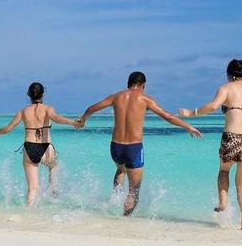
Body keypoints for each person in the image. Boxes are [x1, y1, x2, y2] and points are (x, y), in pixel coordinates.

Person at [77, 71, 202, 216]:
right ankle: (125, 219)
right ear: (143, 85)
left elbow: (92, 108)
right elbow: (167, 116)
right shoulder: (145, 99)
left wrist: (83, 119)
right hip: (133, 149)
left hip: (115, 147)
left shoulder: (116, 97)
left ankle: (114, 201)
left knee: (121, 169)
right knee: (134, 189)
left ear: (128, 84)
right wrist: (188, 126)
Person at [179, 58, 242, 231]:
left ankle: (223, 203)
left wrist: (191, 113)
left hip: (231, 137)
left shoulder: (225, 88)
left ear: (228, 74)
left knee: (224, 171)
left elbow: (213, 106)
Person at [0, 81, 80, 207]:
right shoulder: (48, 109)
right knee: (54, 166)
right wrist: (73, 122)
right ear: (43, 94)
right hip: (46, 147)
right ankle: (53, 192)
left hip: (29, 147)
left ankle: (28, 212)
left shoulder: (23, 111)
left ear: (29, 95)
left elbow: (8, 128)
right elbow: (57, 118)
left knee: (33, 188)